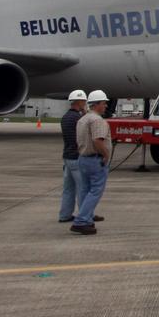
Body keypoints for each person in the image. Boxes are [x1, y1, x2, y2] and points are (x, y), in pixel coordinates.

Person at [72, 90, 112, 235]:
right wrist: (106, 155)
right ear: (97, 105)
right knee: (95, 191)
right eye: (104, 103)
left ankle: (86, 219)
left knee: (84, 190)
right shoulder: (97, 120)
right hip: (95, 160)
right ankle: (82, 220)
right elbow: (97, 140)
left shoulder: (82, 119)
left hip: (83, 158)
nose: (106, 106)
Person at [58, 90, 101, 224]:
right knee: (84, 189)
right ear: (80, 102)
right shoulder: (79, 118)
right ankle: (87, 215)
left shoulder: (65, 117)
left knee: (68, 188)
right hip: (77, 157)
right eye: (84, 101)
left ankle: (65, 215)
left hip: (67, 156)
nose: (85, 104)